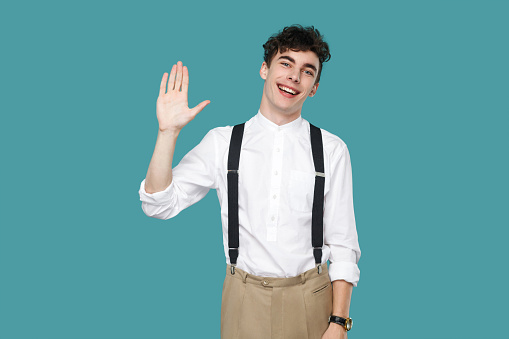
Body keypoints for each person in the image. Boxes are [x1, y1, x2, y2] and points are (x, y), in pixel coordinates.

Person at [138, 25, 361, 339]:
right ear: (264, 69)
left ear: (314, 88)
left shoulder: (332, 149)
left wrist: (339, 323)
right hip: (243, 298)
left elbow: (344, 245)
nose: (294, 76)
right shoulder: (223, 142)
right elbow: (158, 205)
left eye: (307, 71)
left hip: (311, 296)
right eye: (285, 63)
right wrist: (167, 134)